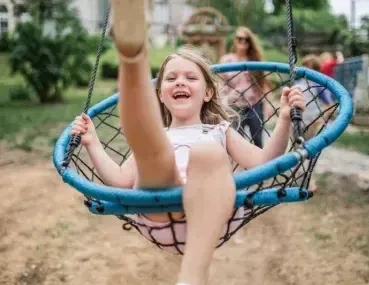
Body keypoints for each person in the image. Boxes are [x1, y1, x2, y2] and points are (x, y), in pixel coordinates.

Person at [70, 1, 305, 284]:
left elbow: (264, 162)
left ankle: (191, 277)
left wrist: (282, 120)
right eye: (171, 78)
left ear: (207, 92)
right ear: (160, 95)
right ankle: (132, 55)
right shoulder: (163, 137)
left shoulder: (219, 130)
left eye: (190, 77)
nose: (180, 82)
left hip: (211, 211)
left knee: (206, 151)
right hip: (159, 208)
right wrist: (92, 143)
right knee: (153, 152)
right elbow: (121, 181)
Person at [219, 26, 272, 148]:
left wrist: (268, 104)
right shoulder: (227, 60)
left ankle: (259, 164)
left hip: (254, 104)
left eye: (246, 39)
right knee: (237, 140)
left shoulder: (255, 60)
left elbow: (264, 83)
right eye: (239, 38)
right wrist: (222, 102)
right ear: (235, 40)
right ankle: (240, 166)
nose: (242, 42)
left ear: (250, 42)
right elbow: (220, 83)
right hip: (235, 105)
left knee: (257, 138)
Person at [297, 54, 335, 191]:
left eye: (308, 66)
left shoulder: (318, 85)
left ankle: (309, 181)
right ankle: (300, 179)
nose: (304, 68)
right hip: (298, 122)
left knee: (310, 152)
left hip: (312, 124)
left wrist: (321, 118)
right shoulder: (299, 84)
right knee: (297, 152)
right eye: (304, 65)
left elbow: (330, 105)